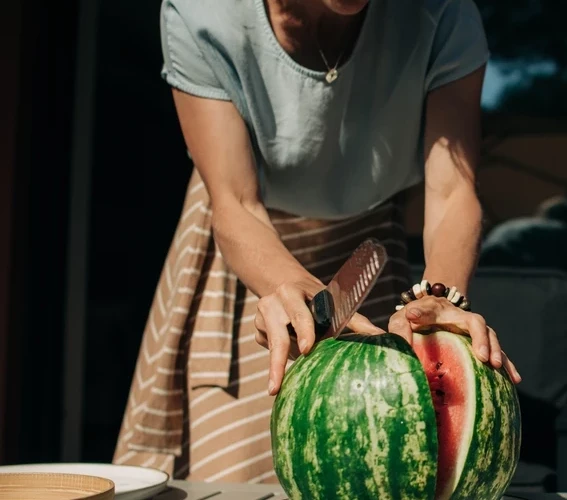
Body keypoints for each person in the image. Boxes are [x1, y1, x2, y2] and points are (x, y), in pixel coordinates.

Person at [113, 0, 520, 484]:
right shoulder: (201, 12)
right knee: (238, 470)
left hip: (368, 248)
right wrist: (292, 289)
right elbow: (236, 203)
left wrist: (440, 296)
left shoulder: (444, 13)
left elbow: (452, 191)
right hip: (251, 252)